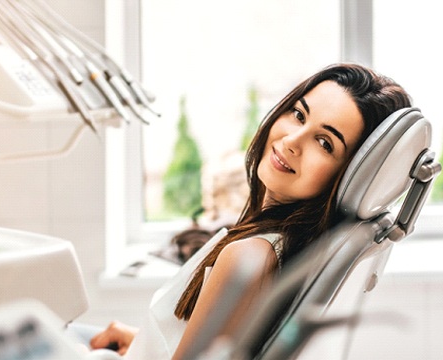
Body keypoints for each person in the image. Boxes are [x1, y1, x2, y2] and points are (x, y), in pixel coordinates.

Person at [86, 63, 412, 359]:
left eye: (325, 143)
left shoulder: (249, 257)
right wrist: (142, 343)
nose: (292, 141)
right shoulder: (283, 247)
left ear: (349, 176)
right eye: (298, 114)